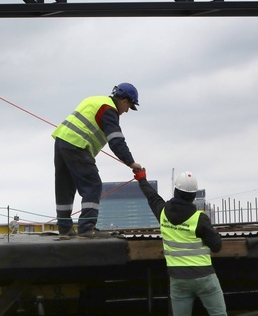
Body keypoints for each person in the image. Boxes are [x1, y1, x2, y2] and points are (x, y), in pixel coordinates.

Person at [52, 83, 143, 239]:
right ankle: (86, 228)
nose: (127, 111)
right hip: (77, 144)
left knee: (64, 186)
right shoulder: (109, 110)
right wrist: (131, 162)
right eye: (129, 106)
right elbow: (116, 140)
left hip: (62, 142)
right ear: (124, 101)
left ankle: (65, 229)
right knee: (92, 185)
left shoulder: (95, 100)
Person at [134, 168, 227, 315]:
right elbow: (217, 246)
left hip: (179, 279)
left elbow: (152, 196)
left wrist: (141, 179)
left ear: (175, 191)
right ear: (193, 196)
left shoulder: (163, 212)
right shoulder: (199, 218)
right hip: (204, 277)